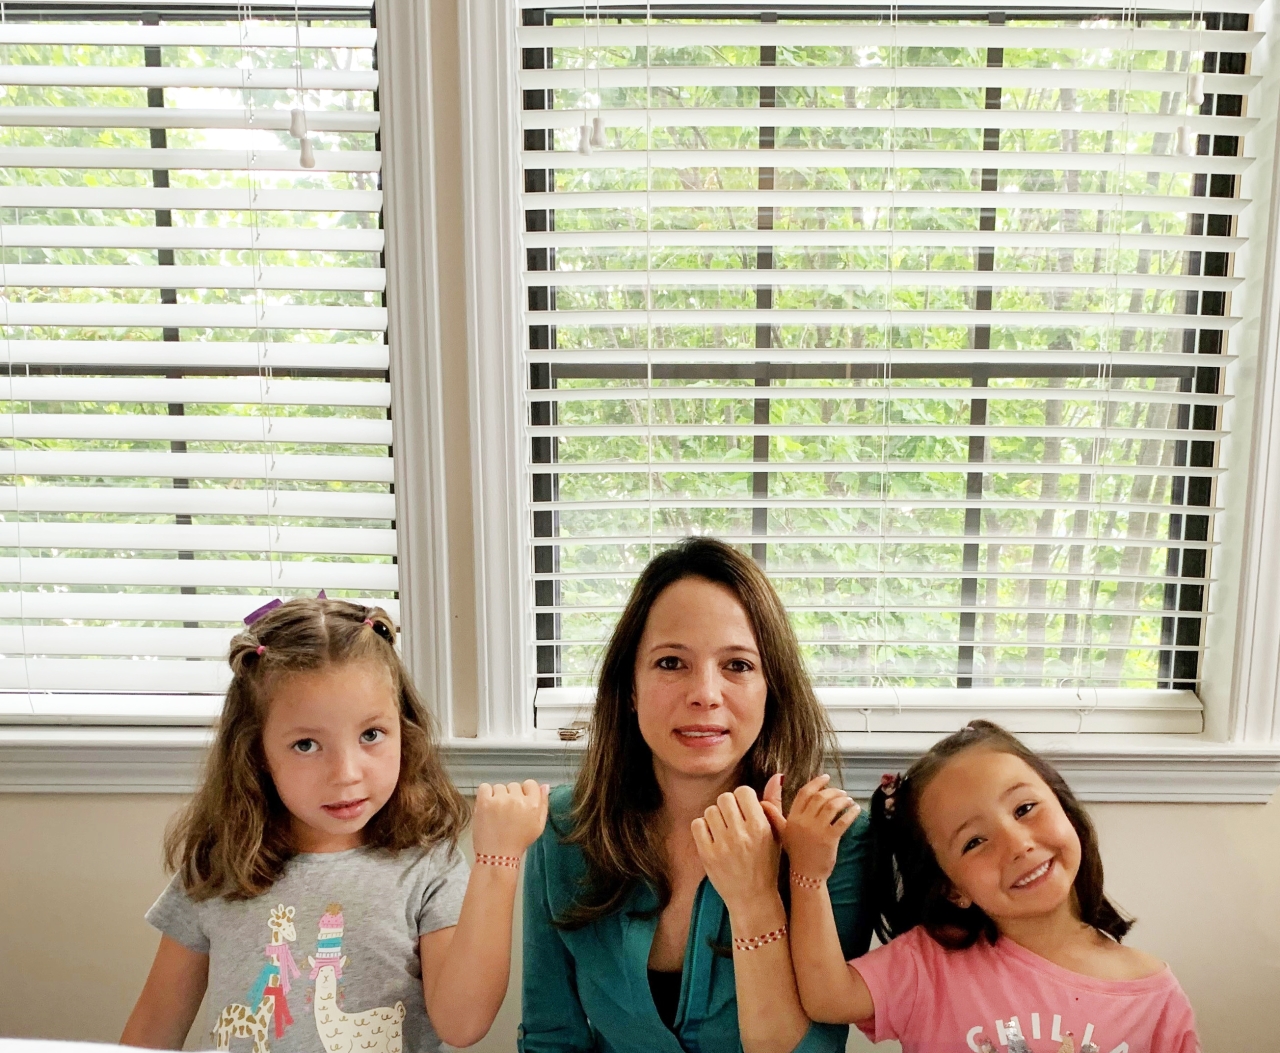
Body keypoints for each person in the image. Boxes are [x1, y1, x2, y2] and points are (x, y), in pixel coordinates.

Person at [120, 597, 548, 1053]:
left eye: (371, 735)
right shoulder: (220, 864)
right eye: (306, 744)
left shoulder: (429, 867)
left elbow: (461, 1025)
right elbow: (153, 1028)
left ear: (405, 730)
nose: (346, 773)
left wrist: (497, 862)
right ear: (257, 754)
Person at [520, 537, 874, 1053]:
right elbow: (551, 1038)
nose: (705, 693)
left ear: (771, 688)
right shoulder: (560, 828)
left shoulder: (834, 840)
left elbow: (814, 1049)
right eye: (671, 663)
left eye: (738, 665)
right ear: (631, 689)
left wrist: (756, 900)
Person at [741, 719, 1199, 1053]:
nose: (1017, 844)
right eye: (975, 841)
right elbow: (826, 996)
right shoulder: (929, 964)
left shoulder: (1154, 995)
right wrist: (809, 872)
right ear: (951, 888)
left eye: (1024, 809)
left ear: (1064, 808)